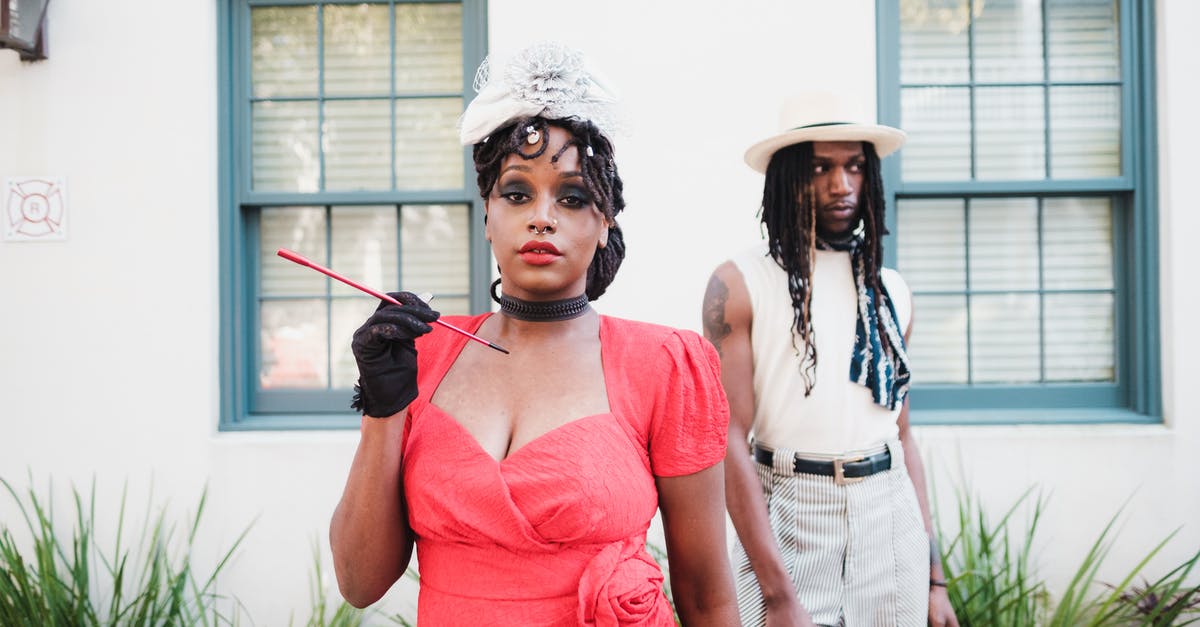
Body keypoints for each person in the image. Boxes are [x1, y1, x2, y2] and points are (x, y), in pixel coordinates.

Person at [330, 42, 739, 626]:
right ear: (488, 217)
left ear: (603, 225)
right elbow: (359, 581)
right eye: (517, 193)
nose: (541, 215)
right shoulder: (423, 352)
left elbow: (706, 596)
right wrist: (382, 405)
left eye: (571, 198)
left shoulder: (666, 365)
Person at [703, 92, 958, 627]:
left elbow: (902, 435)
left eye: (854, 166)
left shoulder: (890, 290)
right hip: (792, 512)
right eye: (820, 167)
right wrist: (776, 594)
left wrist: (934, 581)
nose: (841, 184)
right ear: (788, 178)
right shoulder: (741, 284)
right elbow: (728, 439)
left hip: (889, 517)